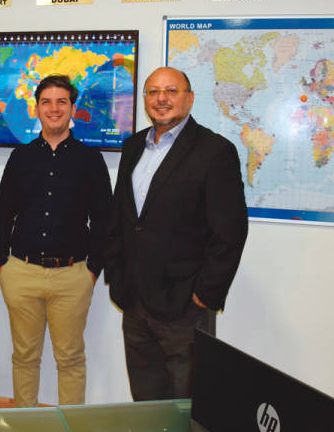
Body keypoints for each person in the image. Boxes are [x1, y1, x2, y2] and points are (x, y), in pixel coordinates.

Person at [105, 66, 248, 400]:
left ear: (189, 98)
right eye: (153, 92)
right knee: (145, 397)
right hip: (135, 298)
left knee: (188, 401)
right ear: (145, 100)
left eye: (171, 91)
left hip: (185, 304)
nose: (161, 99)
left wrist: (206, 294)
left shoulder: (215, 151)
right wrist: (116, 271)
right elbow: (121, 215)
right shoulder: (133, 146)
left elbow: (230, 230)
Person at [0, 74, 112, 407]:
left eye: (61, 101)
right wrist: (1, 263)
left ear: (72, 108)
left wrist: (92, 270)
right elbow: (2, 214)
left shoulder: (91, 161)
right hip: (22, 273)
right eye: (47, 102)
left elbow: (104, 220)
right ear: (36, 108)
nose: (54, 108)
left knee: (71, 359)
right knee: (24, 357)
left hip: (72, 276)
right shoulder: (21, 157)